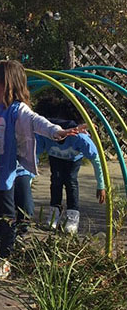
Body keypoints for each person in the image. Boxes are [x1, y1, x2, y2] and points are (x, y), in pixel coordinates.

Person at [0, 60, 80, 279]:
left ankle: (4, 259)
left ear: (5, 84)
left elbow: (37, 121)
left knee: (8, 215)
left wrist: (57, 131)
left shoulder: (16, 110)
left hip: (5, 171)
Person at [34, 96, 106, 234]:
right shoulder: (45, 135)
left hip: (73, 159)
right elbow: (34, 154)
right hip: (55, 156)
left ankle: (73, 216)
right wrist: (30, 175)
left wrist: (101, 185)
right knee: (55, 180)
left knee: (71, 181)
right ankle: (54, 212)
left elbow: (96, 160)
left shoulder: (81, 139)